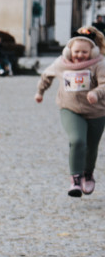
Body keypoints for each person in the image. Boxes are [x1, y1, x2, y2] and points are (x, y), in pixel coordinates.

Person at [34, 26, 105, 197]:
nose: (80, 55)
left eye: (84, 52)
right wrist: (40, 92)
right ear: (68, 52)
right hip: (70, 109)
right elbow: (46, 75)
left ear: (93, 52)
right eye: (77, 51)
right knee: (77, 140)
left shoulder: (99, 64)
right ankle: (76, 179)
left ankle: (88, 174)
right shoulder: (61, 64)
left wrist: (96, 93)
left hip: (96, 112)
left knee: (91, 146)